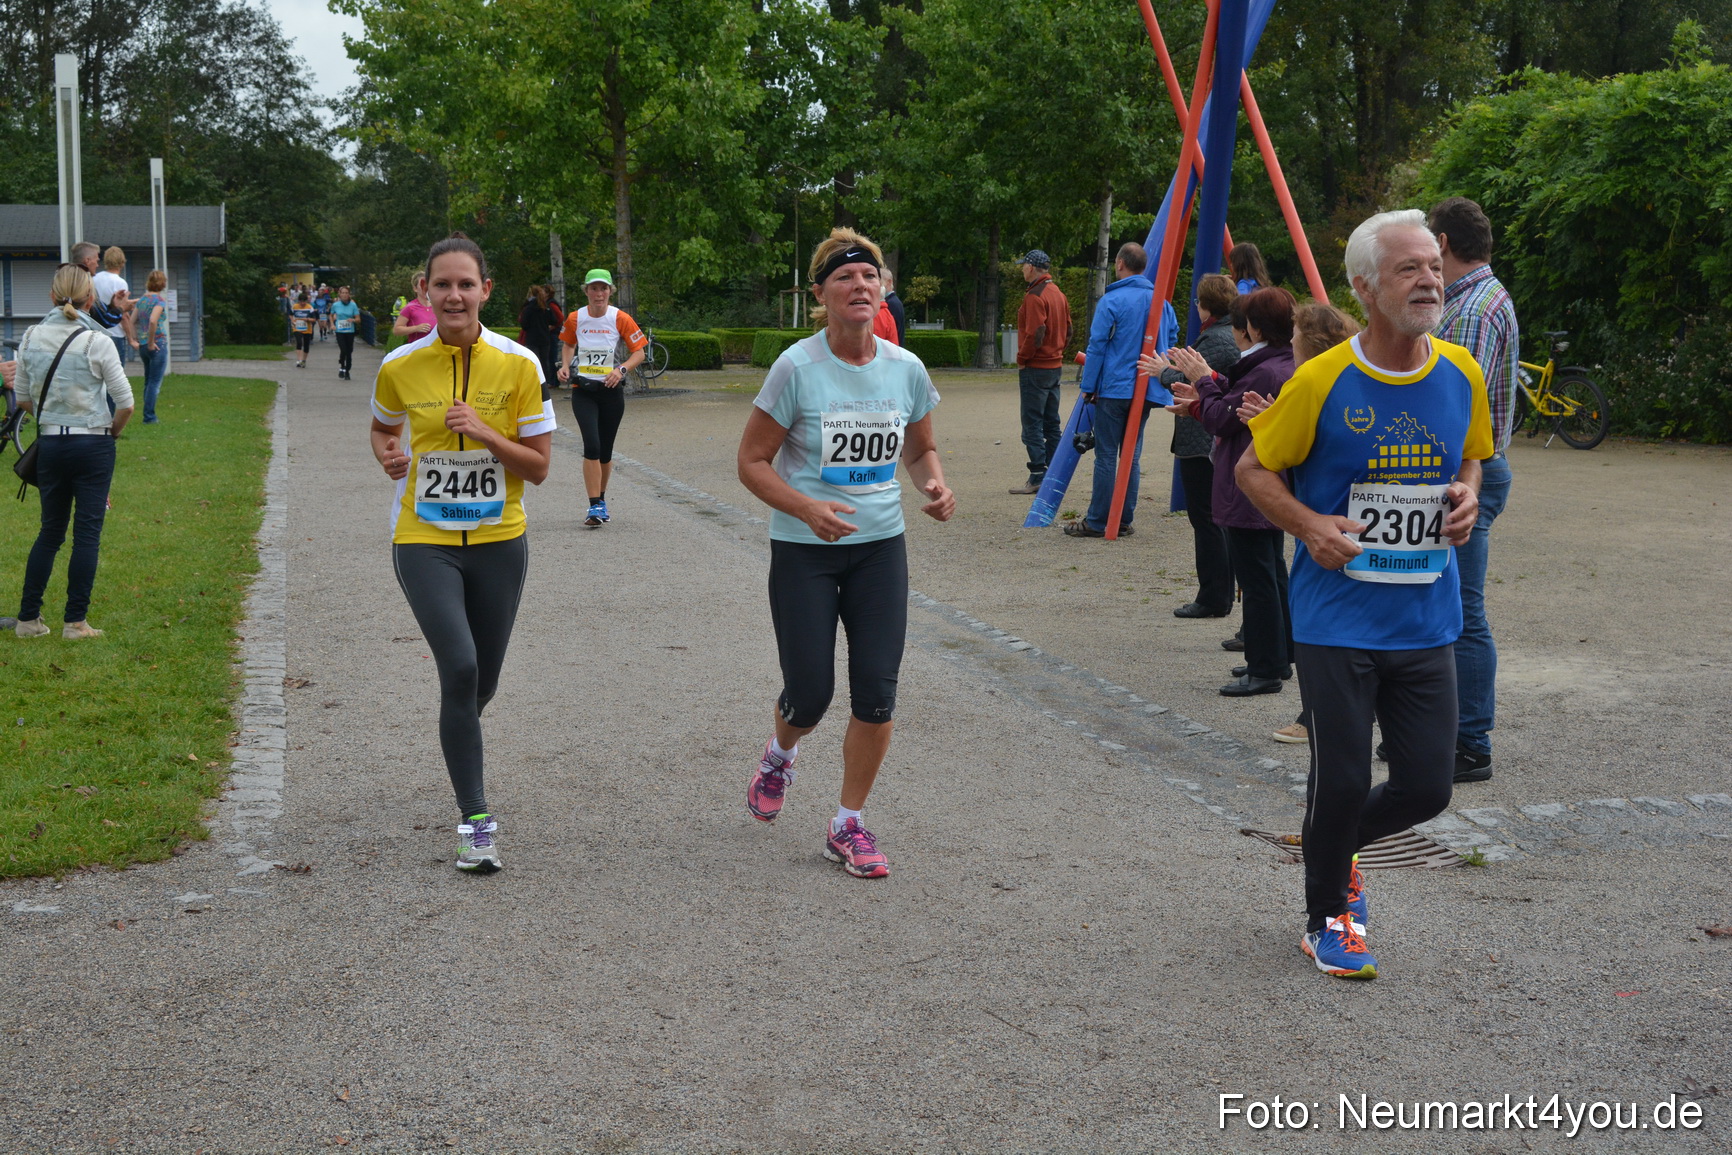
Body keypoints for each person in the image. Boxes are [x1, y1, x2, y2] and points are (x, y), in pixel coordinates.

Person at [1236, 209, 1492, 979]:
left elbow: (1474, 458)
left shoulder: (1461, 373)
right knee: (1342, 778)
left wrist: (1468, 497)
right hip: (1335, 617)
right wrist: (1311, 524)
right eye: (1409, 268)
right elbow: (1253, 471)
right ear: (1364, 286)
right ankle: (1327, 918)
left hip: (1425, 615)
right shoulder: (1321, 379)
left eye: (1434, 267)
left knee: (1426, 786)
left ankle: (1335, 844)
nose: (1428, 280)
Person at [738, 227, 954, 879]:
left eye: (870, 276)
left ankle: (847, 823)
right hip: (805, 549)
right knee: (809, 692)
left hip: (880, 548)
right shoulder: (796, 369)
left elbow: (918, 450)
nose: (860, 286)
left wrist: (935, 484)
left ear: (883, 287)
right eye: (844, 278)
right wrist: (805, 507)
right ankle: (781, 751)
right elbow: (751, 461)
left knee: (877, 694)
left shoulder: (905, 369)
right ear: (820, 295)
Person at [368, 232, 556, 873]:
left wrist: (483, 431)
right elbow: (380, 427)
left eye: (465, 284)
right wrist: (388, 454)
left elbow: (538, 469)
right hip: (423, 539)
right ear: (425, 291)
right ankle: (476, 820)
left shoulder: (520, 365)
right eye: (441, 284)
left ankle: (460, 727)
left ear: (485, 292)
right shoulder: (399, 365)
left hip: (500, 540)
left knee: (483, 681)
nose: (453, 295)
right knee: (461, 667)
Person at [1167, 289, 1298, 696]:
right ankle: (1278, 657)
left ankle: (1265, 668)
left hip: (1251, 484)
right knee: (1271, 572)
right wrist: (1204, 391)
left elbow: (1224, 418)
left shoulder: (1265, 368)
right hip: (1267, 483)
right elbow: (1229, 401)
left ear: (1253, 328)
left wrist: (1203, 383)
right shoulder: (1276, 361)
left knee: (1258, 578)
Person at [1429, 196, 1519, 784]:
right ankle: (1445, 734)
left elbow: (1463, 410)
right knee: (1452, 603)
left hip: (1465, 473)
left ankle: (1468, 743)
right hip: (1478, 468)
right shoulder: (1487, 298)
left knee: (1462, 609)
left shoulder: (1470, 312)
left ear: (1440, 244)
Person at [12, 263, 135, 640]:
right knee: (87, 535)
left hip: (50, 443)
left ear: (51, 296)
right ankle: (75, 622)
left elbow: (22, 399)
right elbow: (126, 402)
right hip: (93, 443)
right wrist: (108, 434)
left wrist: (51, 416)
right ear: (90, 298)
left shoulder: (30, 336)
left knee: (50, 532)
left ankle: (27, 620)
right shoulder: (96, 341)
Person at [1139, 272, 1239, 615]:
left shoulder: (1215, 339)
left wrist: (1163, 371)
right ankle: (1220, 593)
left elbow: (1193, 379)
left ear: (1206, 305)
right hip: (1208, 434)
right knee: (1214, 519)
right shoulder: (1225, 335)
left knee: (1207, 518)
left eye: (1198, 301)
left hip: (1202, 437)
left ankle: (1213, 597)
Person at [1065, 242, 1175, 538]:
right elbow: (1172, 337)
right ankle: (1124, 518)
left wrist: (1088, 386)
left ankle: (1099, 519)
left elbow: (1097, 345)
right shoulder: (1161, 302)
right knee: (1132, 455)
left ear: (1120, 264)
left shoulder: (1112, 301)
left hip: (1115, 387)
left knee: (1106, 455)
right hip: (1147, 386)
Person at [555, 269, 647, 527]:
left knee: (605, 451)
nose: (599, 293)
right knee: (592, 446)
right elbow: (568, 344)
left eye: (603, 288)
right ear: (586, 291)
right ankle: (594, 503)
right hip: (583, 391)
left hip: (611, 392)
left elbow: (639, 351)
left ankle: (601, 501)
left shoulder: (620, 318)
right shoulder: (576, 318)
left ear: (610, 291)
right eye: (594, 288)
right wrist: (565, 365)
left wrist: (621, 370)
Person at [1009, 249, 1073, 495]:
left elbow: (1035, 333)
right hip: (1054, 366)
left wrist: (1022, 358)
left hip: (1035, 367)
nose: (1022, 269)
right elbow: (1068, 331)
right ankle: (1056, 473)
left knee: (1032, 424)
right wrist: (1057, 352)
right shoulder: (1058, 293)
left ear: (1033, 267)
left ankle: (1037, 474)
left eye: (1023, 265)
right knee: (1051, 422)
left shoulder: (1034, 296)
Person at [80, 244, 136, 365]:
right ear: (122, 261)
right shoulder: (120, 283)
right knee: (116, 372)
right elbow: (124, 315)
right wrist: (131, 339)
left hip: (96, 330)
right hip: (115, 332)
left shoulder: (95, 278)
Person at [134, 270, 169, 423]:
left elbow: (131, 320)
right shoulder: (159, 301)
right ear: (162, 283)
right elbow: (154, 321)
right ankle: (149, 416)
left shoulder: (141, 300)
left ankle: (147, 414)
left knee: (148, 381)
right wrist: (151, 342)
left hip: (142, 346)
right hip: (157, 344)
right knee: (155, 382)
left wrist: (134, 339)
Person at [517, 284, 561, 390]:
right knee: (544, 361)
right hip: (544, 338)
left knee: (533, 361)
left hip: (532, 338)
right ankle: (544, 382)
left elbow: (524, 324)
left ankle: (534, 383)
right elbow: (554, 320)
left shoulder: (528, 308)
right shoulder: (545, 307)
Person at [330, 286, 362, 379]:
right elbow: (331, 315)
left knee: (349, 351)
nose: (344, 295)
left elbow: (358, 319)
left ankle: (347, 370)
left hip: (350, 331)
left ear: (349, 294)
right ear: (339, 294)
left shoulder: (353, 305)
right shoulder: (336, 305)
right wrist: (332, 324)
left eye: (346, 293)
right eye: (342, 293)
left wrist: (353, 320)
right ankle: (342, 365)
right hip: (340, 330)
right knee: (343, 349)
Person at [289, 289, 316, 368]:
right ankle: (299, 360)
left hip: (307, 328)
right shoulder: (294, 306)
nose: (302, 303)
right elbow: (290, 314)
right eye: (301, 302)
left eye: (304, 302)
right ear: (299, 301)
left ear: (306, 301)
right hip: (297, 327)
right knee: (299, 342)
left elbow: (314, 319)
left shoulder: (309, 307)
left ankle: (304, 360)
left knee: (306, 345)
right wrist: (292, 320)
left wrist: (307, 319)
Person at [882, 267, 907, 345]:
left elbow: (894, 332)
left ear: (889, 282)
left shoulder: (892, 303)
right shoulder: (893, 301)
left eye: (879, 280)